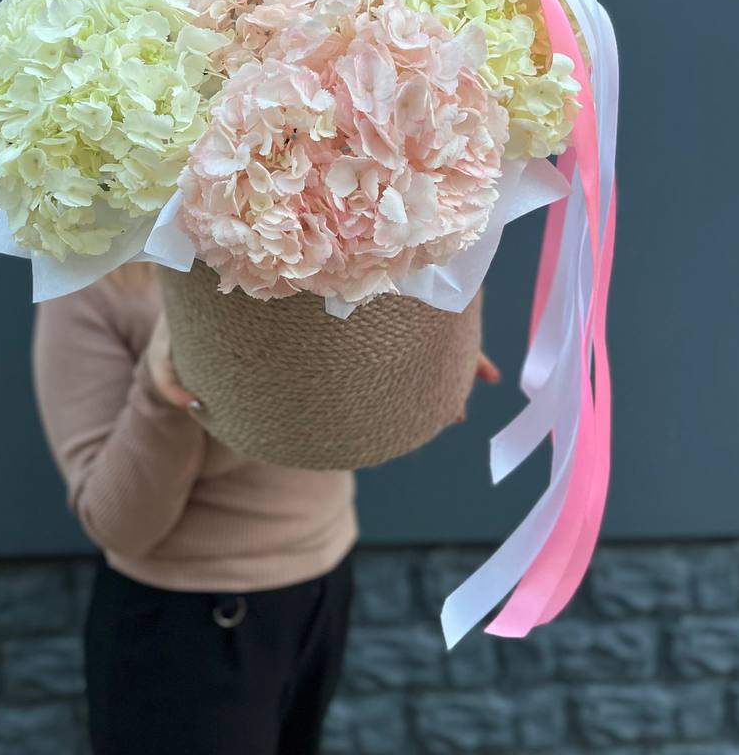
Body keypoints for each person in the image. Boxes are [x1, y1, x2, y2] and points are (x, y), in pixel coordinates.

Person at [31, 261, 499, 754]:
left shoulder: (333, 229)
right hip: (185, 627)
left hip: (322, 585)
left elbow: (334, 398)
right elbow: (117, 524)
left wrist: (411, 358)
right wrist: (165, 388)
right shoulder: (96, 276)